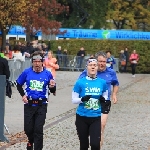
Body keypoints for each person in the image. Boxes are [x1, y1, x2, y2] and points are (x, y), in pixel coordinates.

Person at [16, 51, 56, 150]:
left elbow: (53, 89)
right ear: (32, 62)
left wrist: (52, 87)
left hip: (41, 105)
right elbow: (18, 84)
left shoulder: (48, 74)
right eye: (35, 61)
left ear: (42, 62)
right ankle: (30, 141)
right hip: (29, 105)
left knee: (38, 129)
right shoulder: (27, 72)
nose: (37, 64)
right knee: (28, 129)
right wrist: (23, 95)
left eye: (39, 61)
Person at [79, 51, 119, 148]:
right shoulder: (88, 71)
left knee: (101, 126)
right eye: (100, 61)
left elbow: (116, 83)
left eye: (104, 62)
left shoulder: (111, 72)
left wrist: (114, 94)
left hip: (104, 102)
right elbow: (79, 84)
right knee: (90, 130)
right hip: (90, 103)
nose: (102, 64)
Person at [72, 58, 108, 150]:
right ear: (87, 67)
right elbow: (73, 100)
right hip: (82, 117)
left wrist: (103, 99)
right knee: (84, 145)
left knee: (95, 144)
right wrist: (82, 99)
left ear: (97, 68)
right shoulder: (80, 82)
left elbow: (106, 97)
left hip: (95, 117)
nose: (93, 67)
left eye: (94, 65)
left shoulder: (102, 82)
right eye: (90, 65)